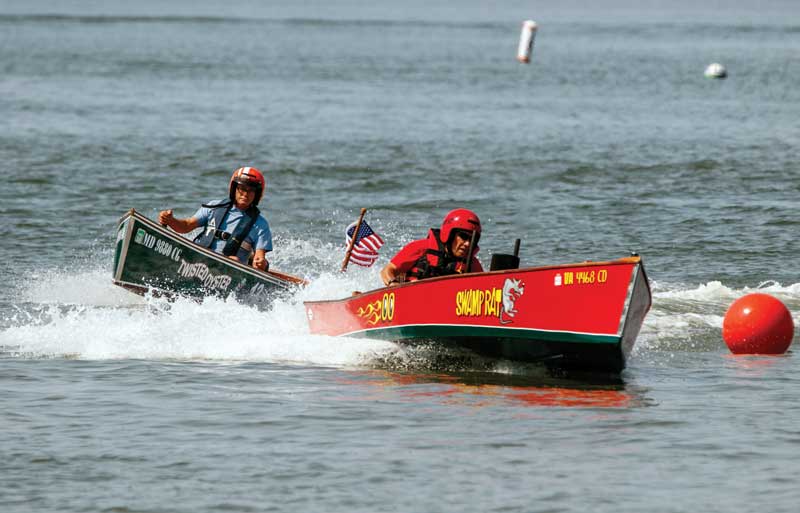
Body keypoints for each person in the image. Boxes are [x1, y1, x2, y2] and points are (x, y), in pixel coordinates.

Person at [158, 166, 273, 271]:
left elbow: (259, 258)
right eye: (242, 188)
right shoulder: (214, 207)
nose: (245, 194)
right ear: (234, 188)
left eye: (251, 190)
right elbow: (186, 226)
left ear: (257, 194)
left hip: (228, 270)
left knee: (234, 260)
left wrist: (260, 263)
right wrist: (170, 220)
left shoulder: (261, 225)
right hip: (198, 259)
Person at [380, 208, 483, 286]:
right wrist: (393, 284)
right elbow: (388, 270)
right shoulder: (420, 247)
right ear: (450, 234)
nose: (468, 244)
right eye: (463, 237)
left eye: (472, 240)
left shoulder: (473, 264)